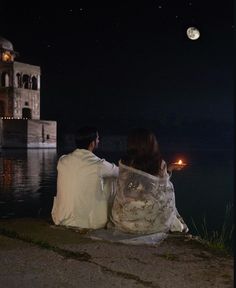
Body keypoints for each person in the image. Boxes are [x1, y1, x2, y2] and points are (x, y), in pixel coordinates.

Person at [110, 128, 188, 234]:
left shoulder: (125, 163)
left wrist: (168, 169)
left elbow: (127, 186)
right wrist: (168, 170)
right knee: (168, 191)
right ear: (152, 144)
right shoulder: (158, 164)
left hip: (125, 220)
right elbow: (161, 187)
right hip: (151, 221)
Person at [51, 126, 119, 229]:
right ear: (92, 143)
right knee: (111, 179)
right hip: (89, 223)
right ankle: (111, 216)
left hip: (60, 218)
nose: (99, 141)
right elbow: (119, 172)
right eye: (97, 138)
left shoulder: (62, 161)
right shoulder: (98, 164)